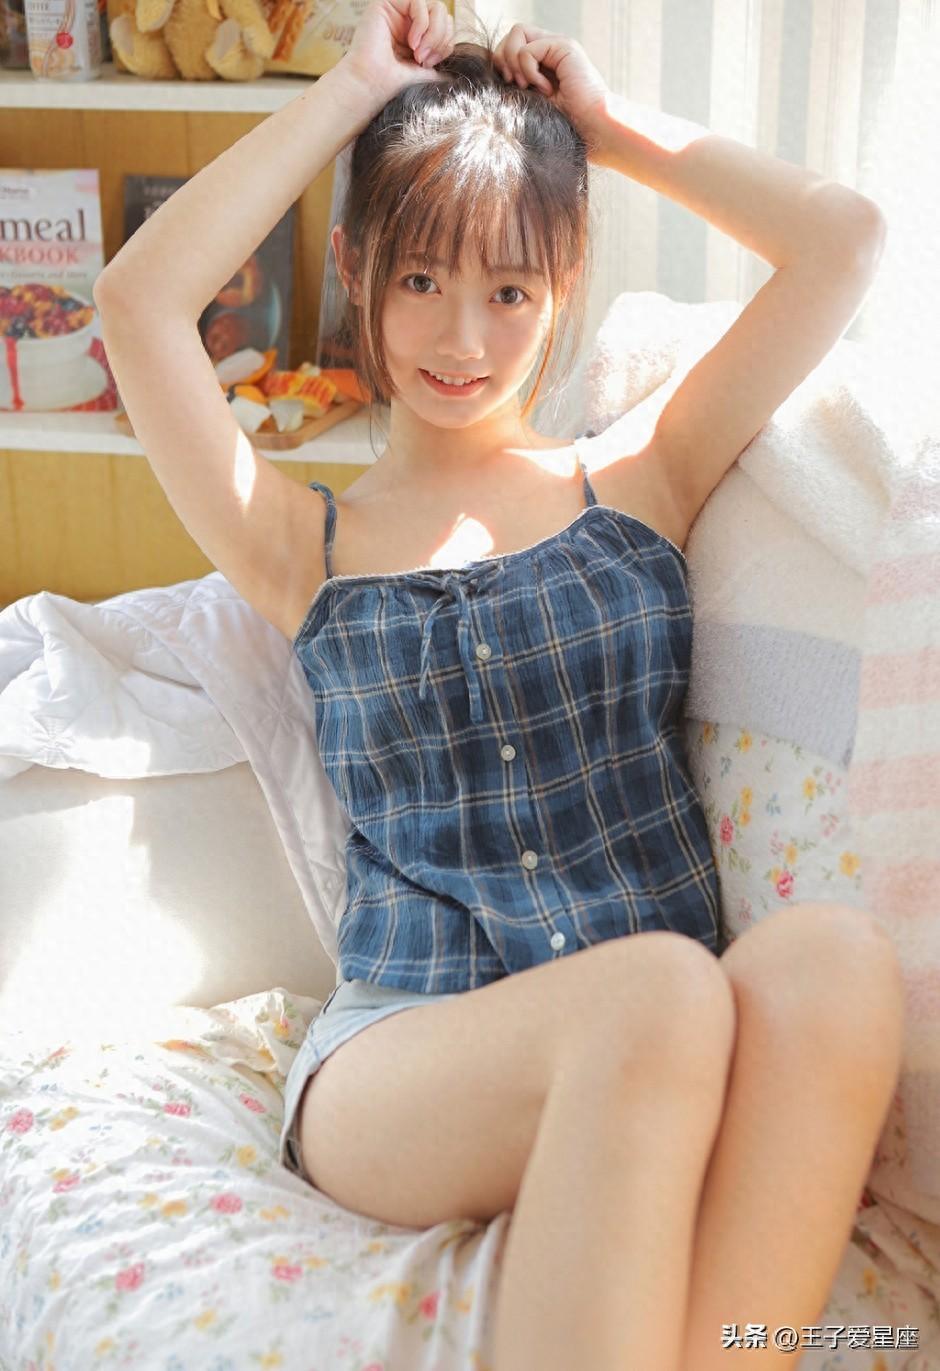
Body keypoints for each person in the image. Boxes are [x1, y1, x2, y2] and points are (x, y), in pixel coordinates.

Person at [93, 4, 901, 1369]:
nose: (462, 336)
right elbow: (136, 304)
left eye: (511, 290)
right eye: (420, 279)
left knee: (836, 965)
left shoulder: (641, 473)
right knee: (659, 996)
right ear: (357, 268)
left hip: (664, 1030)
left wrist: (603, 125)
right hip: (413, 1058)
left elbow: (845, 242)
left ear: (564, 284)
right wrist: (355, 91)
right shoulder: (302, 544)